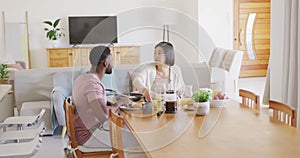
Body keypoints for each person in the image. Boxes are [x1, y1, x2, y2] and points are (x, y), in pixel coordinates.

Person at [72, 46, 130, 149]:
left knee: (129, 131)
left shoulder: (83, 78)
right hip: (89, 136)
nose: (113, 63)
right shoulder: (92, 84)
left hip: (85, 131)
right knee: (140, 142)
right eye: (112, 60)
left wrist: (107, 103)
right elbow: (102, 117)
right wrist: (120, 103)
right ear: (105, 63)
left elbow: (89, 103)